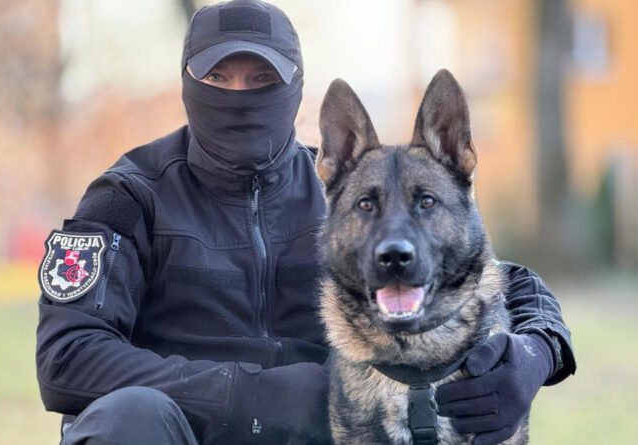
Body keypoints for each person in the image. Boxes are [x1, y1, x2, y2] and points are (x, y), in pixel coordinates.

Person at [35, 1, 576, 444]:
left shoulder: (350, 192)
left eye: (261, 77)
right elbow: (67, 358)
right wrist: (248, 393)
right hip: (180, 431)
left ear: (295, 87)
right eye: (218, 76)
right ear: (187, 82)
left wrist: (534, 356)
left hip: (315, 436)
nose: (238, 94)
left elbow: (495, 275)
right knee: (129, 417)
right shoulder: (128, 194)